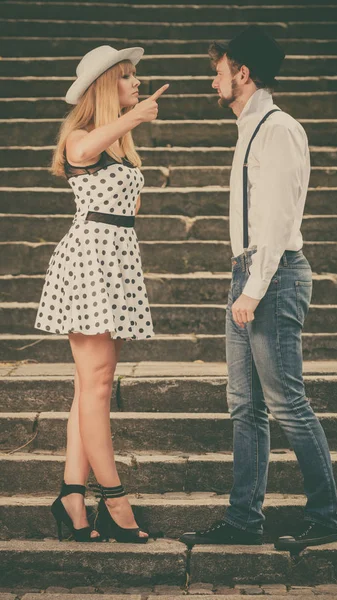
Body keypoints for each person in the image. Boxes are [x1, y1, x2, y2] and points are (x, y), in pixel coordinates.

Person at [180, 26, 337, 551]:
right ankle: (243, 519)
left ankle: (326, 517)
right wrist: (244, 283)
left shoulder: (277, 129)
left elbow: (274, 219)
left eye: (219, 73)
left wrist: (252, 289)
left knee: (287, 403)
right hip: (249, 275)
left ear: (242, 74)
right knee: (244, 407)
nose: (214, 83)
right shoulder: (251, 128)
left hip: (271, 276)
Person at [34, 45, 169, 543]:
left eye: (136, 76)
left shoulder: (121, 144)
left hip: (113, 260)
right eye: (127, 77)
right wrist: (133, 116)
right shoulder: (80, 137)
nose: (136, 83)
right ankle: (113, 498)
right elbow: (83, 154)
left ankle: (73, 492)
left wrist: (129, 124)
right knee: (97, 384)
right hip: (89, 259)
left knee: (90, 384)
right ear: (104, 88)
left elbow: (127, 206)